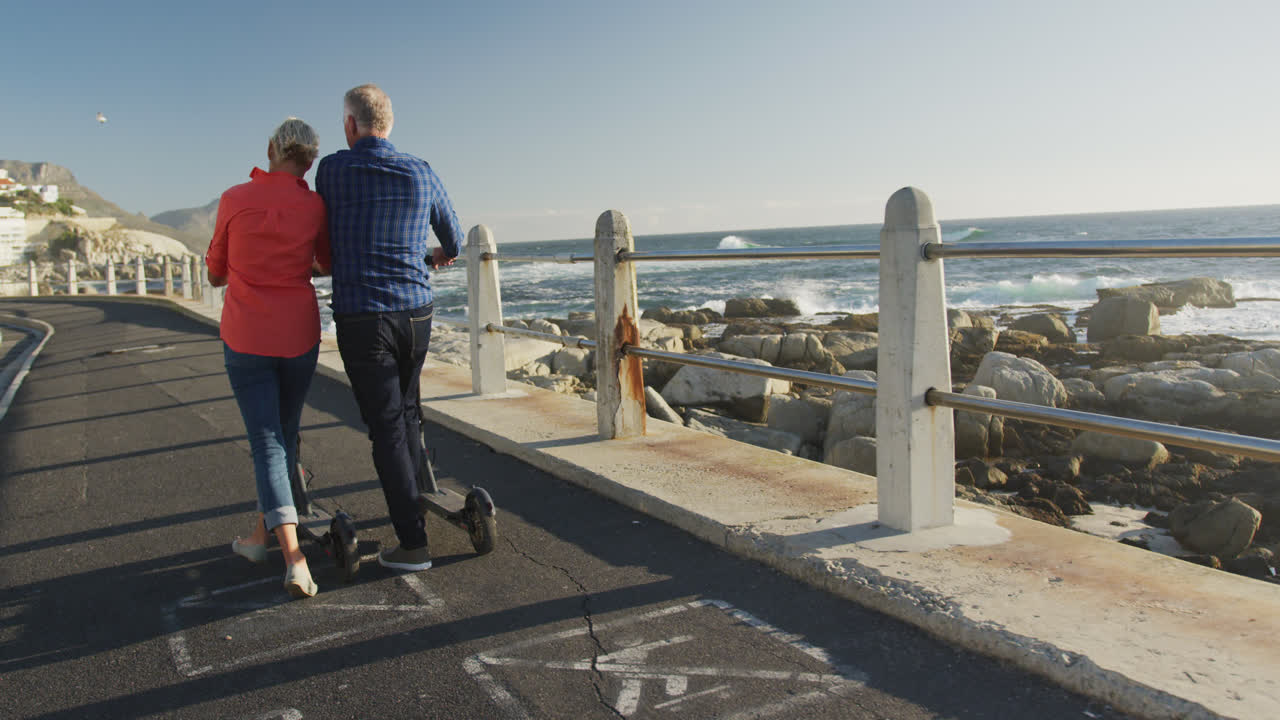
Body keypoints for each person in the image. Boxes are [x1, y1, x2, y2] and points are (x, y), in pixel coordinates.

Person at [316, 84, 462, 572]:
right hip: (417, 311)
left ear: (350, 125)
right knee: (408, 411)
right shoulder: (421, 171)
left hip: (364, 315)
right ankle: (418, 500)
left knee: (386, 430)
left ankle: (413, 544)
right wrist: (437, 255)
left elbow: (322, 232)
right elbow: (455, 240)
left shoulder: (333, 170)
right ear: (390, 124)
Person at [207, 117, 331, 598]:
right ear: (308, 159)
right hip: (299, 334)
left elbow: (216, 272)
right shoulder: (314, 204)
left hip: (248, 336)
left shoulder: (236, 199)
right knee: (283, 435)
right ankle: (261, 538)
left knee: (267, 442)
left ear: (271, 149)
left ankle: (294, 557)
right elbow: (327, 263)